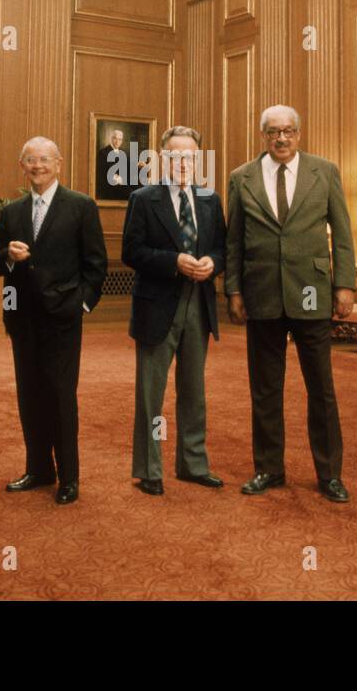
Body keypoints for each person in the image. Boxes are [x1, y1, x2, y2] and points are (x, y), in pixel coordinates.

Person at [225, 105, 355, 502]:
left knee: (322, 388)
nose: (281, 139)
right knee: (265, 389)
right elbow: (234, 241)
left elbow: (344, 232)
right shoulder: (240, 177)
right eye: (273, 132)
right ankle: (268, 468)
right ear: (262, 136)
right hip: (262, 292)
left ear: (299, 134)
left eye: (288, 131)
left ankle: (329, 474)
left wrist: (345, 286)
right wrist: (233, 290)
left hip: (312, 291)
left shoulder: (325, 171)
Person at [0, 137, 108, 504]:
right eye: (30, 160)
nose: (37, 166)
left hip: (63, 320)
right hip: (22, 320)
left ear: (58, 164)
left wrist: (81, 306)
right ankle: (38, 469)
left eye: (44, 159)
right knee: (30, 396)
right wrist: (7, 253)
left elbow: (96, 265)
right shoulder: (11, 212)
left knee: (60, 396)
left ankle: (69, 477)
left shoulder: (81, 206)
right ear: (21, 166)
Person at [121, 125, 226, 496]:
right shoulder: (143, 198)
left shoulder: (211, 199)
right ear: (162, 158)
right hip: (158, 305)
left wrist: (212, 263)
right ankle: (150, 469)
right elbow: (130, 253)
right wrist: (174, 261)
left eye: (190, 156)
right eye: (175, 155)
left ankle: (193, 465)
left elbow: (222, 249)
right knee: (152, 392)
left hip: (199, 303)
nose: (183, 162)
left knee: (194, 391)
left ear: (198, 159)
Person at [96, 128, 133, 201]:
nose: (117, 142)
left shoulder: (123, 153)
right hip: (109, 188)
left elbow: (129, 167)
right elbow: (101, 174)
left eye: (120, 139)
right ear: (111, 139)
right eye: (115, 138)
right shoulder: (103, 153)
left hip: (122, 186)